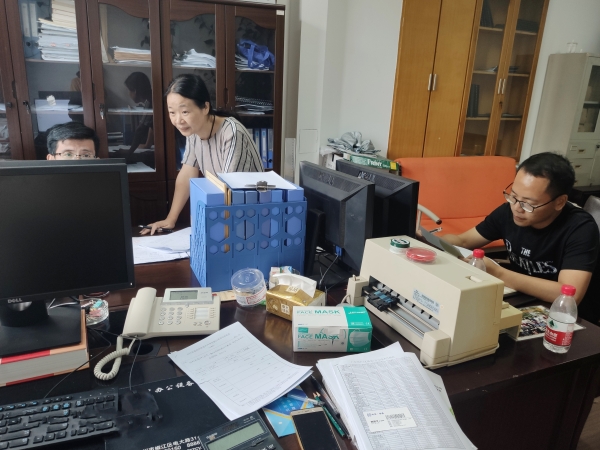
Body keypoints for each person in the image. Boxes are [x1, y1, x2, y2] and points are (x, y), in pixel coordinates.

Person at [441, 152, 600, 323]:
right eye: (513, 196)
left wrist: (498, 273)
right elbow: (463, 241)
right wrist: (429, 239)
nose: (517, 208)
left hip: (566, 319)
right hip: (521, 299)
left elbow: (569, 294)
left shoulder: (580, 228)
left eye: (528, 203)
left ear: (559, 202)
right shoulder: (509, 212)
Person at [141, 74, 263, 235]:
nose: (178, 120)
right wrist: (171, 219)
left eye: (185, 112)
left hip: (250, 219)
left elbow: (228, 189)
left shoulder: (232, 133)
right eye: (172, 112)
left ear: (205, 107)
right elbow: (186, 175)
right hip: (226, 213)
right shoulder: (194, 131)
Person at [123, 72, 154, 156]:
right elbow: (152, 125)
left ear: (135, 91)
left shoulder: (151, 102)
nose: (129, 94)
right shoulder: (152, 98)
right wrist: (147, 145)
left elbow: (140, 129)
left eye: (129, 90)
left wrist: (130, 151)